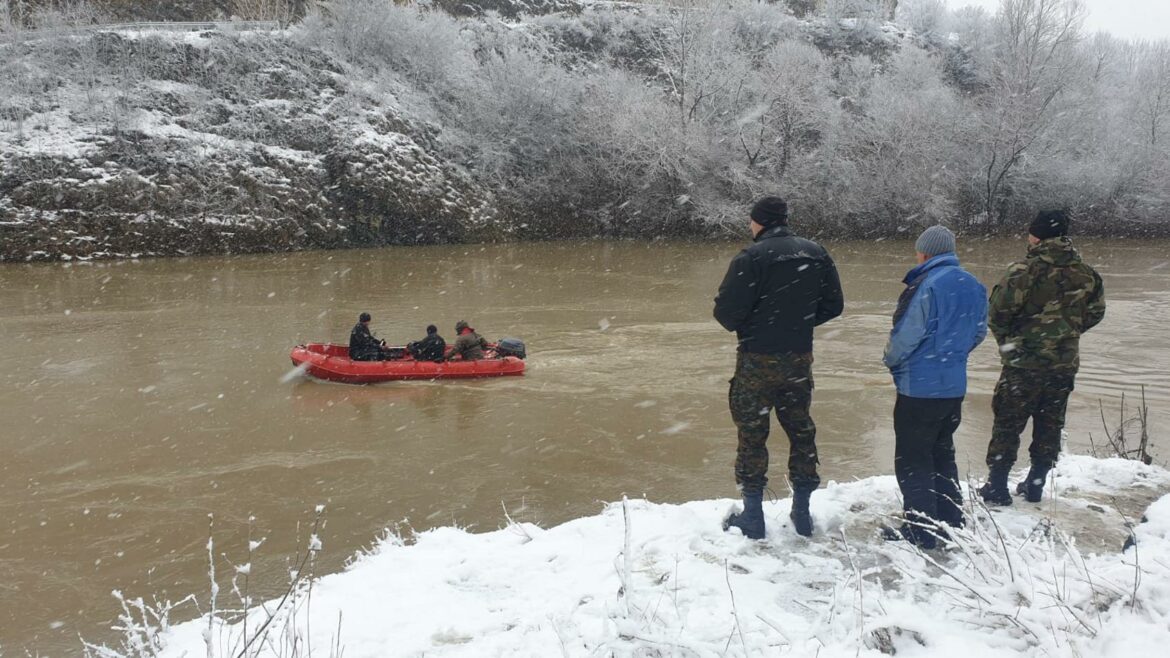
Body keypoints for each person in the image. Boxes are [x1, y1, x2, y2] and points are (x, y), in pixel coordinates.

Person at [713, 196, 844, 539]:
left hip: (757, 359)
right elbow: (835, 305)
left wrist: (760, 325)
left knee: (752, 435)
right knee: (801, 431)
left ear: (760, 222)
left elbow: (726, 314)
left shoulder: (751, 257)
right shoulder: (815, 252)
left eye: (751, 221)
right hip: (799, 358)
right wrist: (797, 323)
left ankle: (753, 516)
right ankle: (801, 512)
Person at [979, 210, 1105, 505]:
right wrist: (1065, 333)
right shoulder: (1086, 273)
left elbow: (996, 315)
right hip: (1063, 364)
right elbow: (1096, 313)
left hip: (1023, 364)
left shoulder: (1022, 272)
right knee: (1050, 423)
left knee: (1008, 422)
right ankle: (1035, 484)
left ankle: (997, 486)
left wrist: (1012, 344)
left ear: (1036, 236)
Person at [881, 226, 987, 549]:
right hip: (953, 388)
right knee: (942, 453)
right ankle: (952, 521)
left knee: (914, 459)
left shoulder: (925, 285)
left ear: (926, 253)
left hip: (919, 390)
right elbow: (979, 333)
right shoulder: (975, 285)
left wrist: (890, 360)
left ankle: (922, 530)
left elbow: (905, 337)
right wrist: (951, 358)